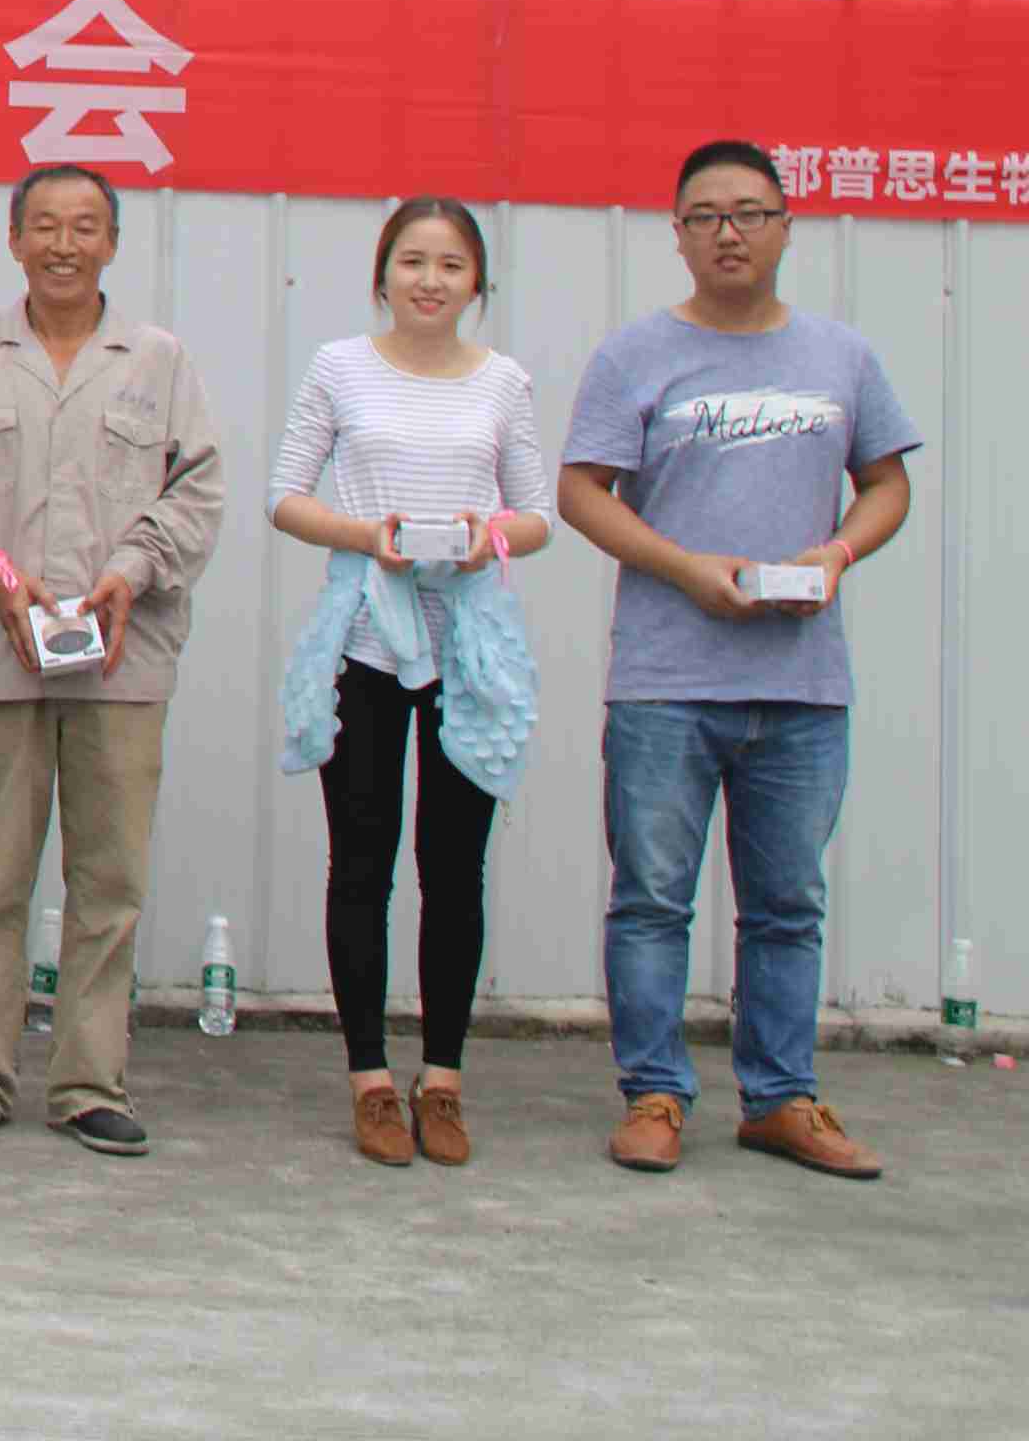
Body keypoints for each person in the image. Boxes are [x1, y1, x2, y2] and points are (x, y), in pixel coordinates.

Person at [561, 138, 919, 1182]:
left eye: (751, 213)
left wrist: (837, 554)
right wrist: (683, 567)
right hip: (667, 682)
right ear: (676, 234)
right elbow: (580, 491)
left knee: (787, 906)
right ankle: (655, 1094)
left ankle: (781, 1098)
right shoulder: (634, 355)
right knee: (652, 899)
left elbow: (889, 483)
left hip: (802, 684)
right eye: (707, 215)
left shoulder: (841, 356)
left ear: (786, 227)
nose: (730, 232)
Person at [0, 163, 224, 1156]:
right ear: (14, 239)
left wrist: (129, 571)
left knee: (108, 879)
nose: (64, 244)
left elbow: (197, 489)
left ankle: (90, 1082)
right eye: (44, 225)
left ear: (112, 243)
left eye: (85, 226)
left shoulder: (159, 361)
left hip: (122, 657)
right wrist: (2, 573)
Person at [268, 198, 553, 1167]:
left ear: (478, 283)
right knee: (361, 862)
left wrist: (488, 537)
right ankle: (370, 1081)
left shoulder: (504, 381)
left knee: (454, 867)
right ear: (382, 274)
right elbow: (283, 496)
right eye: (413, 261)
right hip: (364, 643)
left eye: (451, 264)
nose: (430, 280)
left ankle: (443, 1080)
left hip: (467, 645)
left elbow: (539, 513)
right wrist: (365, 534)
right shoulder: (339, 368)